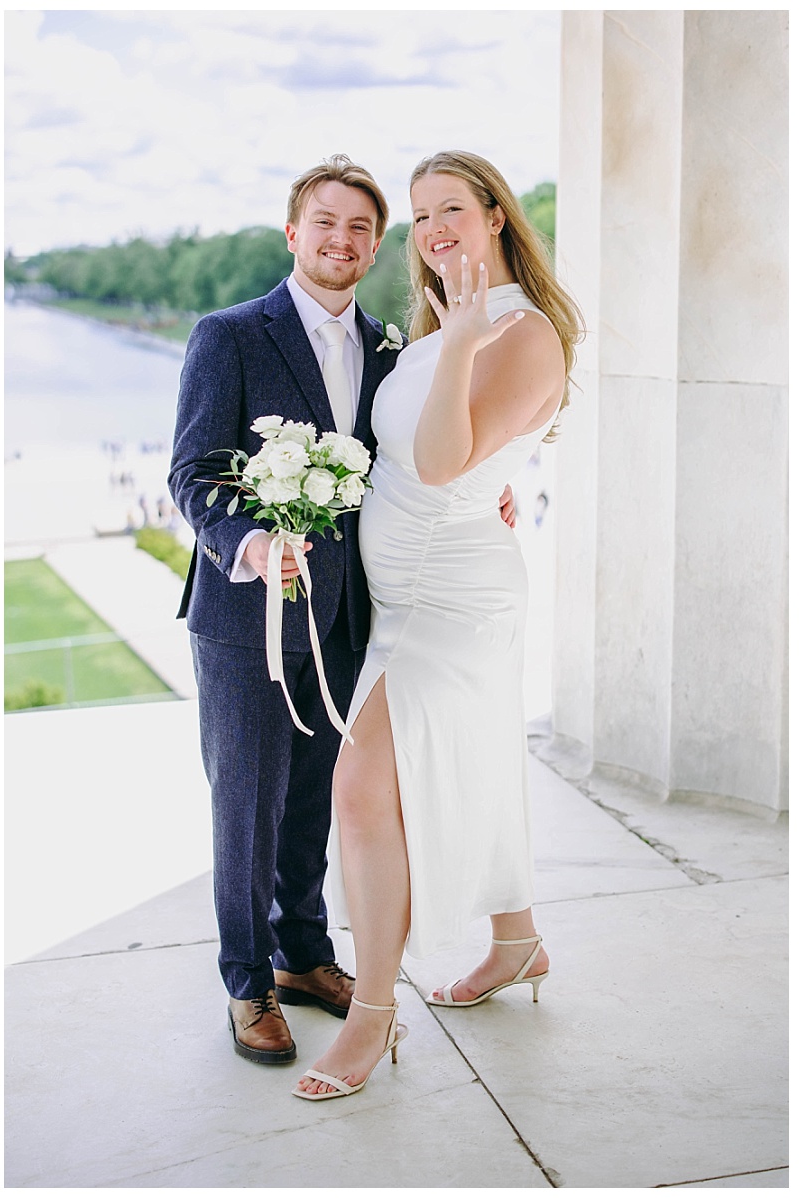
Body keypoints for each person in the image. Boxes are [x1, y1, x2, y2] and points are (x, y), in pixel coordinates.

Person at [169, 156, 518, 1068]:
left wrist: (492, 491)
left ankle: (305, 954)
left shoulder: (397, 347)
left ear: (376, 245)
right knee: (244, 804)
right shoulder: (229, 335)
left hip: (354, 614)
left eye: (363, 229)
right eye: (326, 224)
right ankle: (247, 982)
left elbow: (419, 456)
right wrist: (245, 542)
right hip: (247, 614)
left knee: (319, 800)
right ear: (294, 234)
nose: (344, 241)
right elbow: (193, 471)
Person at [295, 150, 581, 1100]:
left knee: (363, 787)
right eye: (419, 217)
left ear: (497, 215)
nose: (433, 231)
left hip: (456, 599)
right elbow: (413, 460)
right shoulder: (433, 331)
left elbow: (449, 460)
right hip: (398, 595)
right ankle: (517, 940)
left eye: (450, 208)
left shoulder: (520, 334)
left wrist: (460, 341)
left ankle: (372, 1015)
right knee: (482, 761)